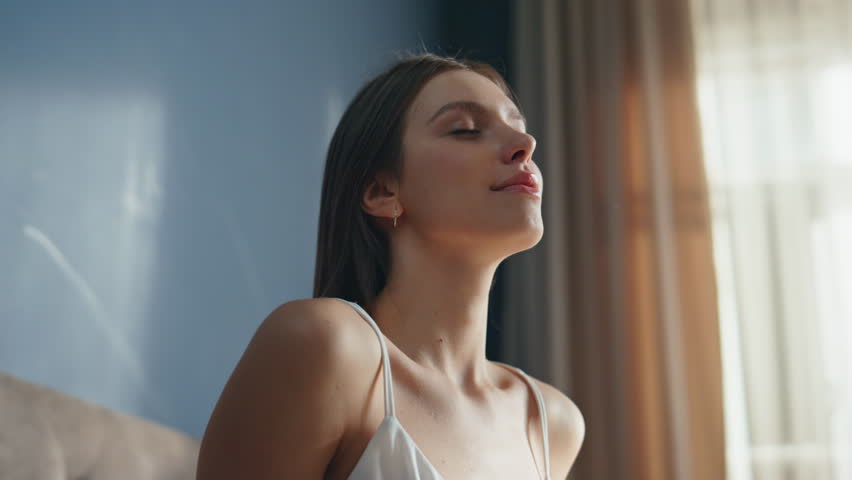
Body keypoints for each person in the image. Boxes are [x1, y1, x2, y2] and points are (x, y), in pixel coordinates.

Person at [196, 52, 585, 480]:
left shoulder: (552, 421)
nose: (525, 145)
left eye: (520, 127)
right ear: (383, 191)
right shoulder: (325, 347)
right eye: (466, 130)